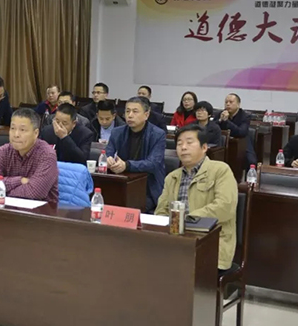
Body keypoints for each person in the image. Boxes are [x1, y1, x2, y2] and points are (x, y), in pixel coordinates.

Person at [154, 124, 238, 271]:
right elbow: (161, 211)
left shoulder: (220, 170)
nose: (183, 147)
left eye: (189, 142)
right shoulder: (172, 177)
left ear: (204, 147)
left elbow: (225, 207)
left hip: (211, 244)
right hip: (175, 242)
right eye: (179, 144)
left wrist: (186, 220)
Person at [0, 108, 59, 204]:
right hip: (7, 208)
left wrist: (1, 191)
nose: (16, 134)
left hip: (41, 210)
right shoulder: (4, 151)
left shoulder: (47, 155)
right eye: (13, 128)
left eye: (22, 130)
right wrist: (19, 180)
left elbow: (34, 192)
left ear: (36, 133)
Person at [104, 97, 166, 213]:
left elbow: (153, 163)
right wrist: (108, 160)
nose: (130, 115)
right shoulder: (117, 132)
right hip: (122, 183)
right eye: (127, 111)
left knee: (132, 209)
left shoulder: (158, 134)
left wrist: (126, 165)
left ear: (146, 115)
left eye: (135, 111)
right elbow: (108, 153)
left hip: (147, 188)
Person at [218, 93, 257, 166]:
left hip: (242, 142)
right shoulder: (221, 113)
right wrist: (220, 120)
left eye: (231, 102)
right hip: (224, 143)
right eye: (226, 102)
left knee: (251, 161)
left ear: (238, 104)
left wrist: (227, 121)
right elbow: (213, 127)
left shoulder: (245, 116)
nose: (228, 104)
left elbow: (241, 132)